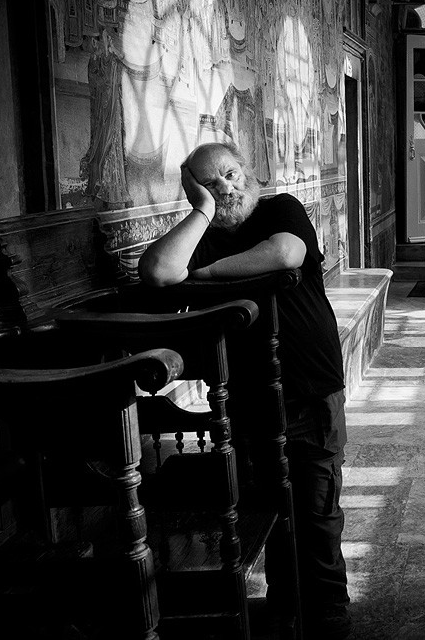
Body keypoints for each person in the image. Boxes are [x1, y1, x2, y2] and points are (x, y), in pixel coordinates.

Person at [138, 142, 351, 639]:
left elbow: (286, 252)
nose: (226, 188)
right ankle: (284, 604)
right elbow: (159, 271)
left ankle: (329, 611)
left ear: (249, 173)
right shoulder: (203, 233)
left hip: (310, 387)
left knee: (318, 509)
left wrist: (208, 275)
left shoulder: (280, 210)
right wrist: (202, 211)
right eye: (209, 183)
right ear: (193, 190)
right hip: (248, 396)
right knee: (270, 508)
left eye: (231, 174)